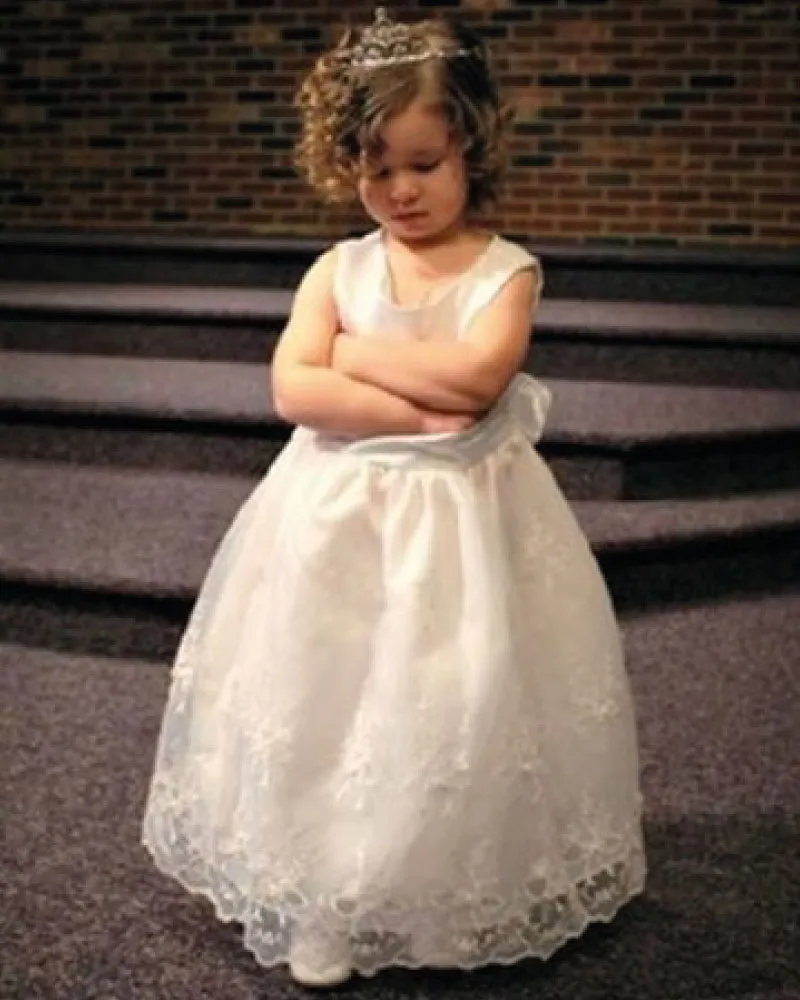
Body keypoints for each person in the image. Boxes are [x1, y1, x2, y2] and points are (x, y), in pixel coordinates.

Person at [142, 7, 645, 989]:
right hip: (333, 525)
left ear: (468, 142)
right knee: (328, 696)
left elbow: (475, 383)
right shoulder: (337, 268)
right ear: (347, 164)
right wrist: (417, 416)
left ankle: (441, 893)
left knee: (451, 701)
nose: (399, 190)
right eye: (377, 169)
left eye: (422, 163)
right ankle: (328, 894)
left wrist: (357, 358)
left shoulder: (505, 273)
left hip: (460, 536)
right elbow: (295, 391)